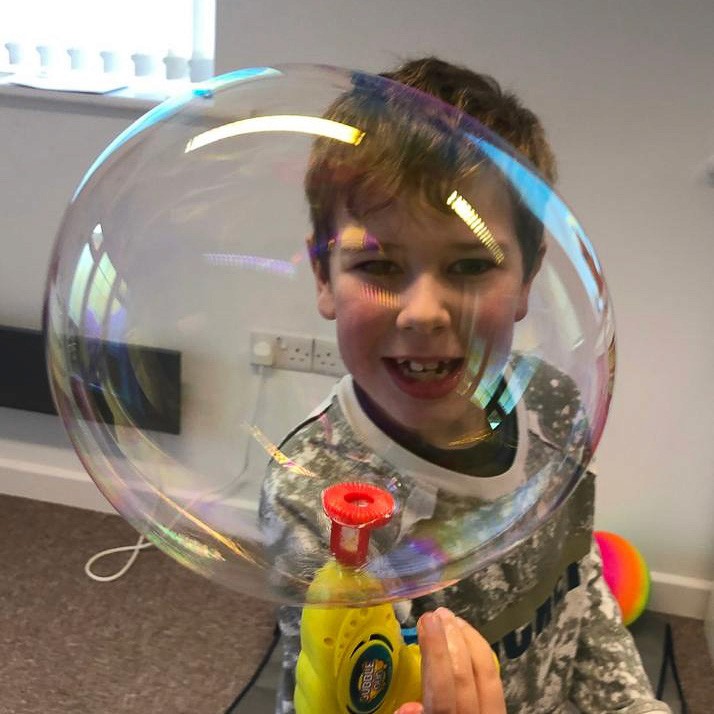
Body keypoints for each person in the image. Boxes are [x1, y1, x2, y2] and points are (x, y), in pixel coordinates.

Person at [259, 56, 670, 713]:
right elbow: (322, 689)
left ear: (528, 278)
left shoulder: (553, 404)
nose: (424, 312)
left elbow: (578, 581)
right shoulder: (316, 496)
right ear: (322, 276)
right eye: (379, 263)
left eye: (471, 264)